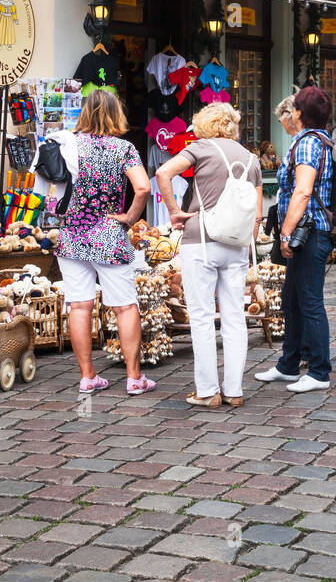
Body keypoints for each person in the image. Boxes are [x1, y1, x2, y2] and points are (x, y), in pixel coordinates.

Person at [156, 103, 263, 408]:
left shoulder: (201, 148)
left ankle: (206, 391)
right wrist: (247, 244)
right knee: (234, 317)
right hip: (237, 245)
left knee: (202, 317)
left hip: (200, 240)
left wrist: (175, 211)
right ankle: (234, 390)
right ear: (233, 126)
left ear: (204, 125)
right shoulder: (251, 159)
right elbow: (256, 215)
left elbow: (163, 172)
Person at [56, 90, 154, 395]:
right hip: (108, 234)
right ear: (116, 113)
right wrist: (129, 218)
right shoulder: (122, 148)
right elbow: (143, 188)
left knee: (80, 305)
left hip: (72, 233)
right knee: (125, 307)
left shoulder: (68, 145)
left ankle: (87, 376)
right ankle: (134, 377)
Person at [255, 85, 335, 393]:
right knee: (291, 298)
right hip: (313, 232)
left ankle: (318, 371)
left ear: (298, 113)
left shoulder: (306, 145)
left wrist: (286, 234)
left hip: (308, 233)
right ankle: (288, 366)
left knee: (310, 302)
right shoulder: (322, 140)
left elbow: (302, 192)